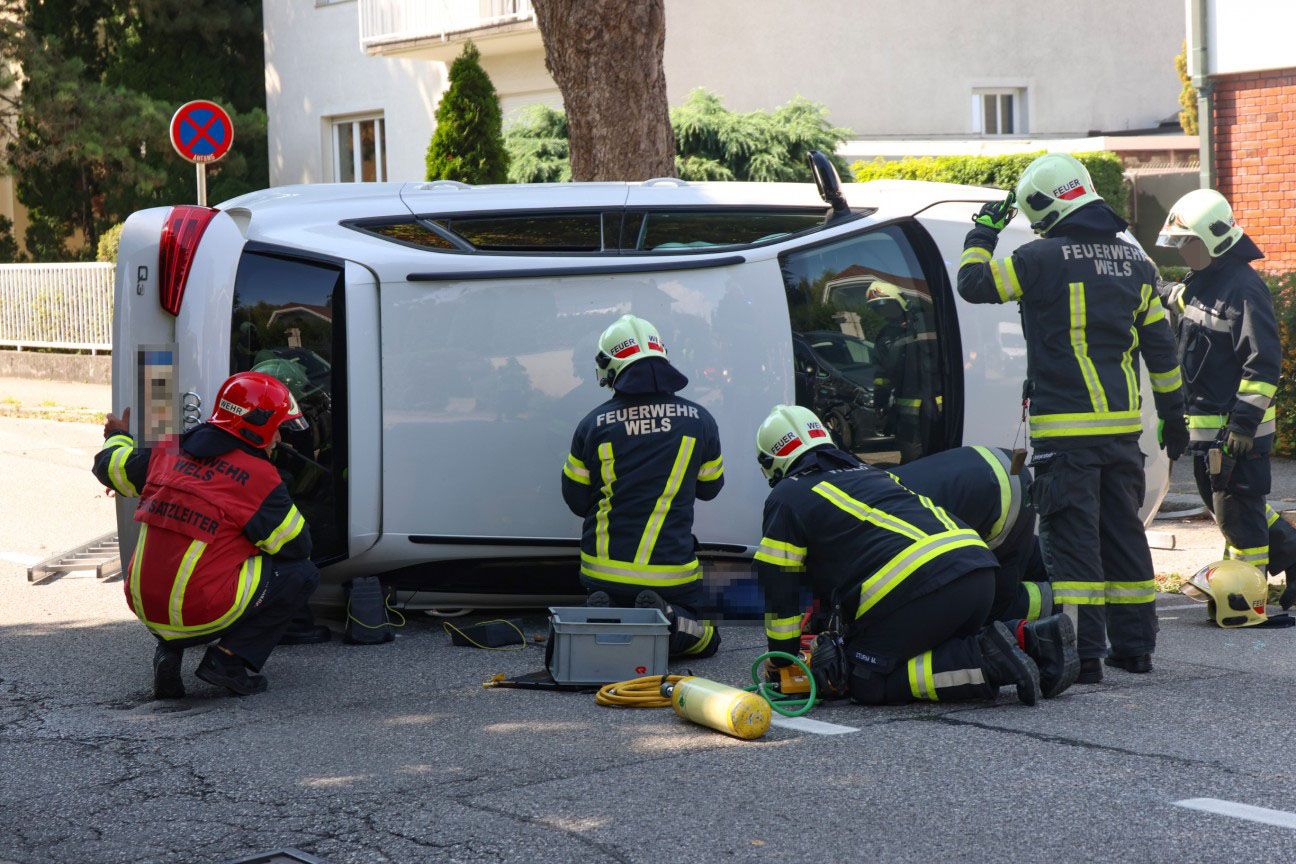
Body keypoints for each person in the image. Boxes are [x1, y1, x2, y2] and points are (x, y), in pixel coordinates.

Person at [956, 154, 1188, 685]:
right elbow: (1162, 352)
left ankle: (1083, 657)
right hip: (1122, 434)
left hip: (1065, 436)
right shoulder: (1138, 265)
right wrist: (1174, 417)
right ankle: (1136, 649)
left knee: (1074, 544)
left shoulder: (1037, 258)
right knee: (1124, 537)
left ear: (1045, 205)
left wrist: (983, 231)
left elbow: (972, 282)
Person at [754, 405, 1078, 705]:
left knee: (865, 679)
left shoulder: (787, 496)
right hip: (978, 571)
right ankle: (1033, 639)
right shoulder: (873, 475)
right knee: (925, 652)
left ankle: (985, 661)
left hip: (926, 585)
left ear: (772, 463)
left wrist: (783, 661)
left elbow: (779, 589)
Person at [92, 372, 325, 698]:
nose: (278, 439)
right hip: (201, 612)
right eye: (277, 430)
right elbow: (298, 546)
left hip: (144, 605)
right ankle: (227, 661)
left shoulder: (167, 450)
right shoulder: (258, 477)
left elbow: (109, 466)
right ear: (259, 426)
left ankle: (169, 649)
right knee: (301, 574)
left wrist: (118, 435)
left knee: (185, 559)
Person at [1155, 189, 1296, 607]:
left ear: (1213, 240)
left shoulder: (1244, 289)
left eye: (1188, 242)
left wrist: (1243, 426)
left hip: (1235, 435)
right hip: (1210, 433)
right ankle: (1290, 555)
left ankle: (1244, 599)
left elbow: (1263, 363)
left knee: (1239, 516)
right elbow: (1181, 300)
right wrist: (1148, 282)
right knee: (1234, 508)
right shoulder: (1204, 282)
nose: (1183, 250)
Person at [560, 314, 725, 658]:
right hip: (671, 575)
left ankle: (609, 616)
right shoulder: (701, 420)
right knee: (709, 638)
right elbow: (710, 489)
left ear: (609, 367)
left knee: (615, 610)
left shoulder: (592, 425)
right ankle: (670, 619)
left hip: (600, 572)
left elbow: (575, 500)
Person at [890, 445, 1053, 623]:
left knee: (995, 605)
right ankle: (1070, 574)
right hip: (992, 462)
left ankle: (1060, 604)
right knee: (1022, 551)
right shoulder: (872, 484)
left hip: (1000, 495)